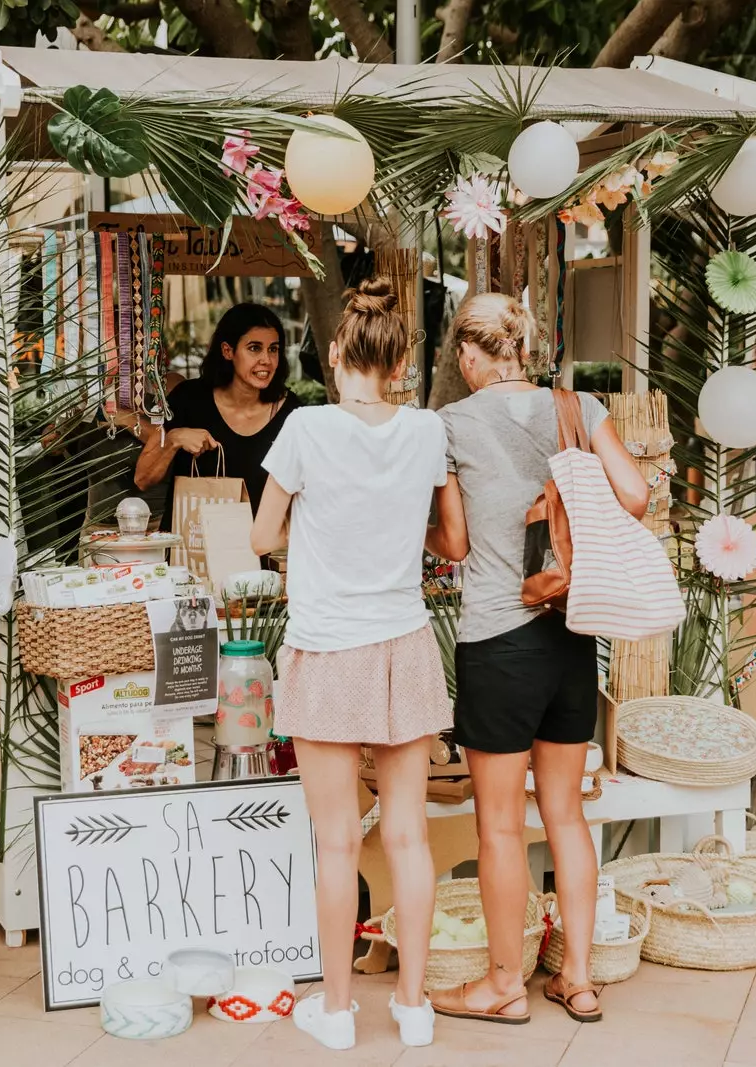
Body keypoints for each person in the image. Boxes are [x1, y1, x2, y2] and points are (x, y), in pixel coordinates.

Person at [426, 294, 647, 1026]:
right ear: (523, 346)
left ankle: (500, 984)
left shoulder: (450, 424)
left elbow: (455, 545)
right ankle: (578, 978)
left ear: (467, 355)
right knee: (565, 815)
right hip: (571, 632)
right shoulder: (576, 405)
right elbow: (637, 495)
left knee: (496, 824)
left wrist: (427, 538)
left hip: (497, 639)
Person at [251, 278, 450, 1051]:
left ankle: (335, 1012)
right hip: (403, 643)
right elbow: (440, 531)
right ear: (401, 359)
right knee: (408, 836)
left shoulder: (304, 428)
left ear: (335, 354)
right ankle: (414, 1007)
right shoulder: (428, 430)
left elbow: (264, 535)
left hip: (328, 645)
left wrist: (312, 523)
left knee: (336, 840)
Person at [134, 303, 300, 520]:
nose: (266, 360)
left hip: (260, 549)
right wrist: (174, 438)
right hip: (194, 547)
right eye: (254, 348)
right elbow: (142, 478)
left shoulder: (292, 414)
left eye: (273, 349)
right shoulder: (189, 399)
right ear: (227, 351)